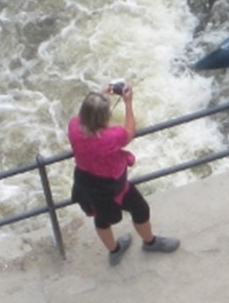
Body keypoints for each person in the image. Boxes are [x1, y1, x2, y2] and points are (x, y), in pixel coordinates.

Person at [67, 85, 180, 266]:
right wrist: (128, 102)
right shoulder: (112, 137)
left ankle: (115, 251)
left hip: (85, 183)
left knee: (101, 219)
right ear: (105, 117)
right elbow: (130, 132)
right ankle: (150, 242)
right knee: (140, 209)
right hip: (113, 185)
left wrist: (99, 96)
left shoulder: (73, 127)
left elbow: (84, 117)